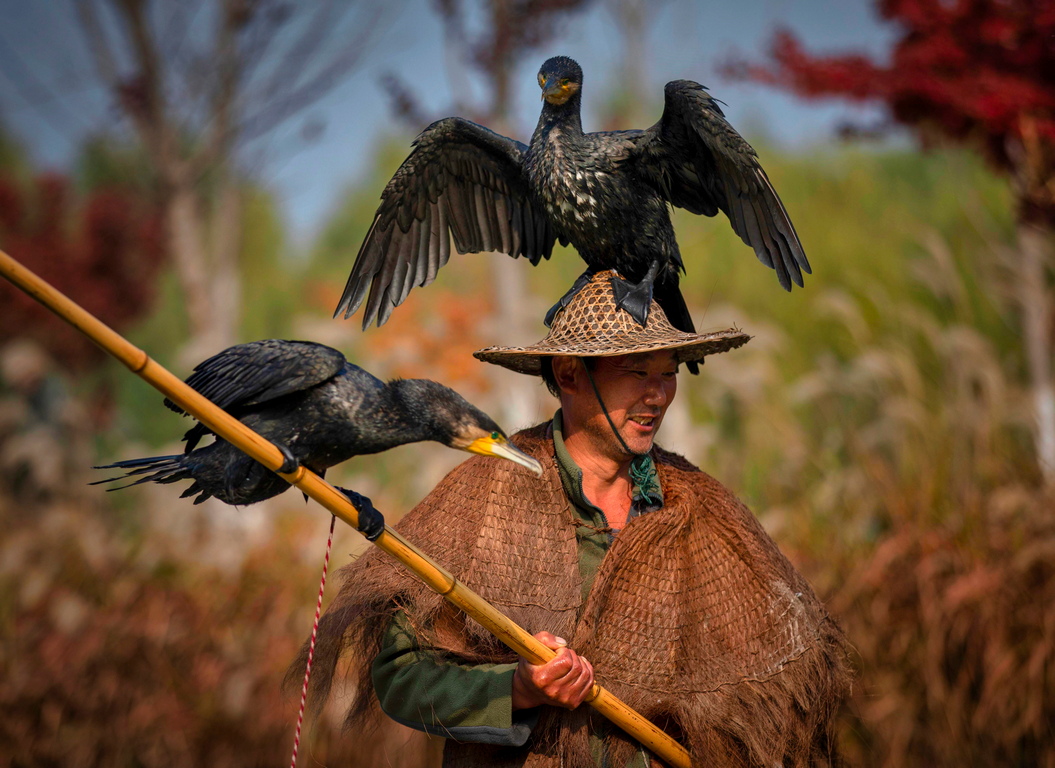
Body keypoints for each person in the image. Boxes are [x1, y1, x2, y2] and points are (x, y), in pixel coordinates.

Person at [298, 272, 849, 767]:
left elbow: (775, 678)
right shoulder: (486, 495)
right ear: (569, 373)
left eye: (668, 373)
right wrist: (518, 687)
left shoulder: (700, 510)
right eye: (637, 371)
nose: (658, 394)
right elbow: (402, 676)